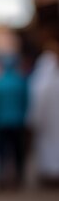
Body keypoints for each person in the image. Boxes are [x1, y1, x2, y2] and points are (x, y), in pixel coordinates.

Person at [0, 56, 28, 188]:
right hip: (17, 122)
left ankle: (0, 176)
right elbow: (26, 102)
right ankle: (18, 177)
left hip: (0, 122)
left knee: (1, 152)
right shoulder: (20, 82)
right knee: (17, 151)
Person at [28, 38, 59, 186]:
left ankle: (50, 175)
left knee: (48, 150)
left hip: (46, 122)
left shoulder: (40, 82)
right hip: (52, 123)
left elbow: (37, 103)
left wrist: (33, 119)